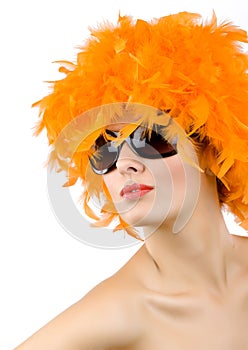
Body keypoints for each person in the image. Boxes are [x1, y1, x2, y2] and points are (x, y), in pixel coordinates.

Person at [15, 11, 248, 349]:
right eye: (104, 149)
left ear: (212, 146)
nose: (124, 163)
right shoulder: (120, 314)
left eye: (151, 136)